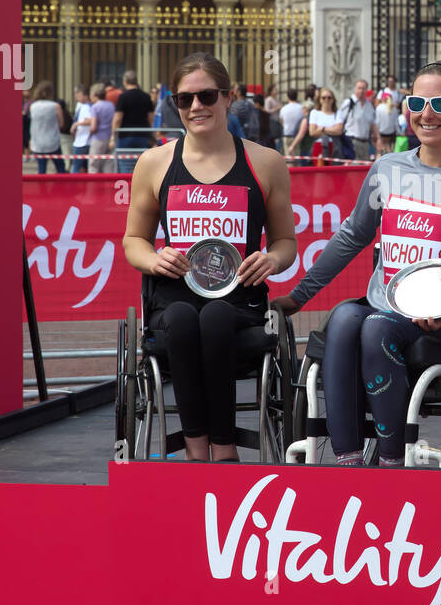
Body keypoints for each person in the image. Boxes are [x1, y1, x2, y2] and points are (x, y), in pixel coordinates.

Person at [272, 61, 441, 468]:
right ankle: (347, 458)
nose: (426, 113)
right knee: (344, 318)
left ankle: (390, 461)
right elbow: (352, 236)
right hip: (384, 305)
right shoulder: (387, 169)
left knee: (373, 325)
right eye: (417, 102)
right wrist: (299, 296)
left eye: (439, 102)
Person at [121, 53, 297, 463]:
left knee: (215, 317)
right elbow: (133, 240)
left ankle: (225, 447)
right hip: (174, 297)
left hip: (238, 301)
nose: (196, 106)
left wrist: (271, 260)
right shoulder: (154, 163)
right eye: (185, 100)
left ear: (228, 98)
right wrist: (153, 260)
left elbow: (286, 242)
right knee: (184, 319)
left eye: (206, 96)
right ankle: (196, 447)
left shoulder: (266, 162)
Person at [26, 81, 67, 174]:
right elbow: (61, 124)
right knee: (60, 167)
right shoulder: (55, 106)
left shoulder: (32, 106)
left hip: (38, 143)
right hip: (52, 141)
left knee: (41, 168)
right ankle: (62, 187)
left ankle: (42, 187)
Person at [338, 79, 379, 161]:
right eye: (359, 88)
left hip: (365, 143)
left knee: (364, 169)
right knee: (353, 169)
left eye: (363, 88)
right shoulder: (348, 103)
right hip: (351, 142)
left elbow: (373, 124)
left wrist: (378, 138)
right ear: (355, 89)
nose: (361, 90)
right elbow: (340, 121)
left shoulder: (369, 106)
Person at [88, 81, 116, 173]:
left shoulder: (95, 107)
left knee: (93, 165)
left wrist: (89, 131)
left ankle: (93, 186)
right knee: (109, 164)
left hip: (98, 138)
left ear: (95, 94)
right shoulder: (111, 105)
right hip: (109, 138)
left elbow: (93, 127)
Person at [70, 85, 94, 173]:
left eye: (78, 94)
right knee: (83, 166)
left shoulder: (88, 107)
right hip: (82, 139)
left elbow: (91, 120)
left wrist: (77, 124)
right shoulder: (82, 106)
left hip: (83, 141)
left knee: (76, 166)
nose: (76, 96)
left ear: (85, 96)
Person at [374, 89, 397, 155]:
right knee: (388, 147)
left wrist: (375, 133)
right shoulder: (394, 109)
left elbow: (377, 122)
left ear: (383, 99)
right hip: (390, 132)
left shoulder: (379, 107)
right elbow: (396, 123)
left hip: (381, 132)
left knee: (379, 150)